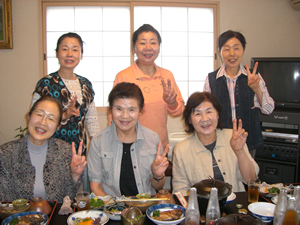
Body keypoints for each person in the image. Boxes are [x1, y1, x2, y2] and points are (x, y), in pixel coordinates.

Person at [87, 82, 169, 196]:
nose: (125, 116)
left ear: (140, 111)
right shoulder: (98, 142)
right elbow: (95, 187)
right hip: (112, 208)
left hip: (145, 207)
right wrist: (115, 207)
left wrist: (158, 175)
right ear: (110, 110)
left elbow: (158, 187)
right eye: (119, 109)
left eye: (132, 110)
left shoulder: (153, 139)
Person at [0, 96, 86, 203]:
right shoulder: (5, 154)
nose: (43, 122)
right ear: (29, 116)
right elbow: (4, 203)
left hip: (55, 217)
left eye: (51, 118)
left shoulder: (64, 151)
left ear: (58, 126)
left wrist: (75, 175)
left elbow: (67, 200)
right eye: (39, 114)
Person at [172, 92, 259, 195]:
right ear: (190, 119)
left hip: (234, 205)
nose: (204, 119)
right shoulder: (181, 150)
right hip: (201, 207)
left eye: (209, 112)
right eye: (197, 114)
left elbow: (251, 179)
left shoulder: (233, 137)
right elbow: (179, 191)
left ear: (218, 114)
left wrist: (239, 151)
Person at [203, 30, 274, 157]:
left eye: (236, 48)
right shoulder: (211, 79)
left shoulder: (254, 77)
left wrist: (256, 88)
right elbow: (206, 113)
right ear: (220, 51)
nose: (232, 54)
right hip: (221, 142)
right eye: (226, 49)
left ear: (243, 49)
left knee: (247, 176)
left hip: (249, 141)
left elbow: (268, 110)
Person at [113, 24, 184, 148]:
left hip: (159, 145)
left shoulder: (167, 76)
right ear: (134, 48)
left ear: (159, 47)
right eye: (142, 43)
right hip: (129, 146)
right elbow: (113, 115)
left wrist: (172, 103)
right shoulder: (123, 77)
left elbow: (178, 111)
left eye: (153, 43)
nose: (148, 48)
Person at [32, 32, 100, 155]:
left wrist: (98, 147)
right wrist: (63, 115)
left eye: (75, 50)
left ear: (81, 55)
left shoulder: (86, 84)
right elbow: (34, 118)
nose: (69, 54)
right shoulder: (45, 84)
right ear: (57, 53)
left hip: (79, 151)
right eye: (64, 49)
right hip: (50, 150)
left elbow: (92, 121)